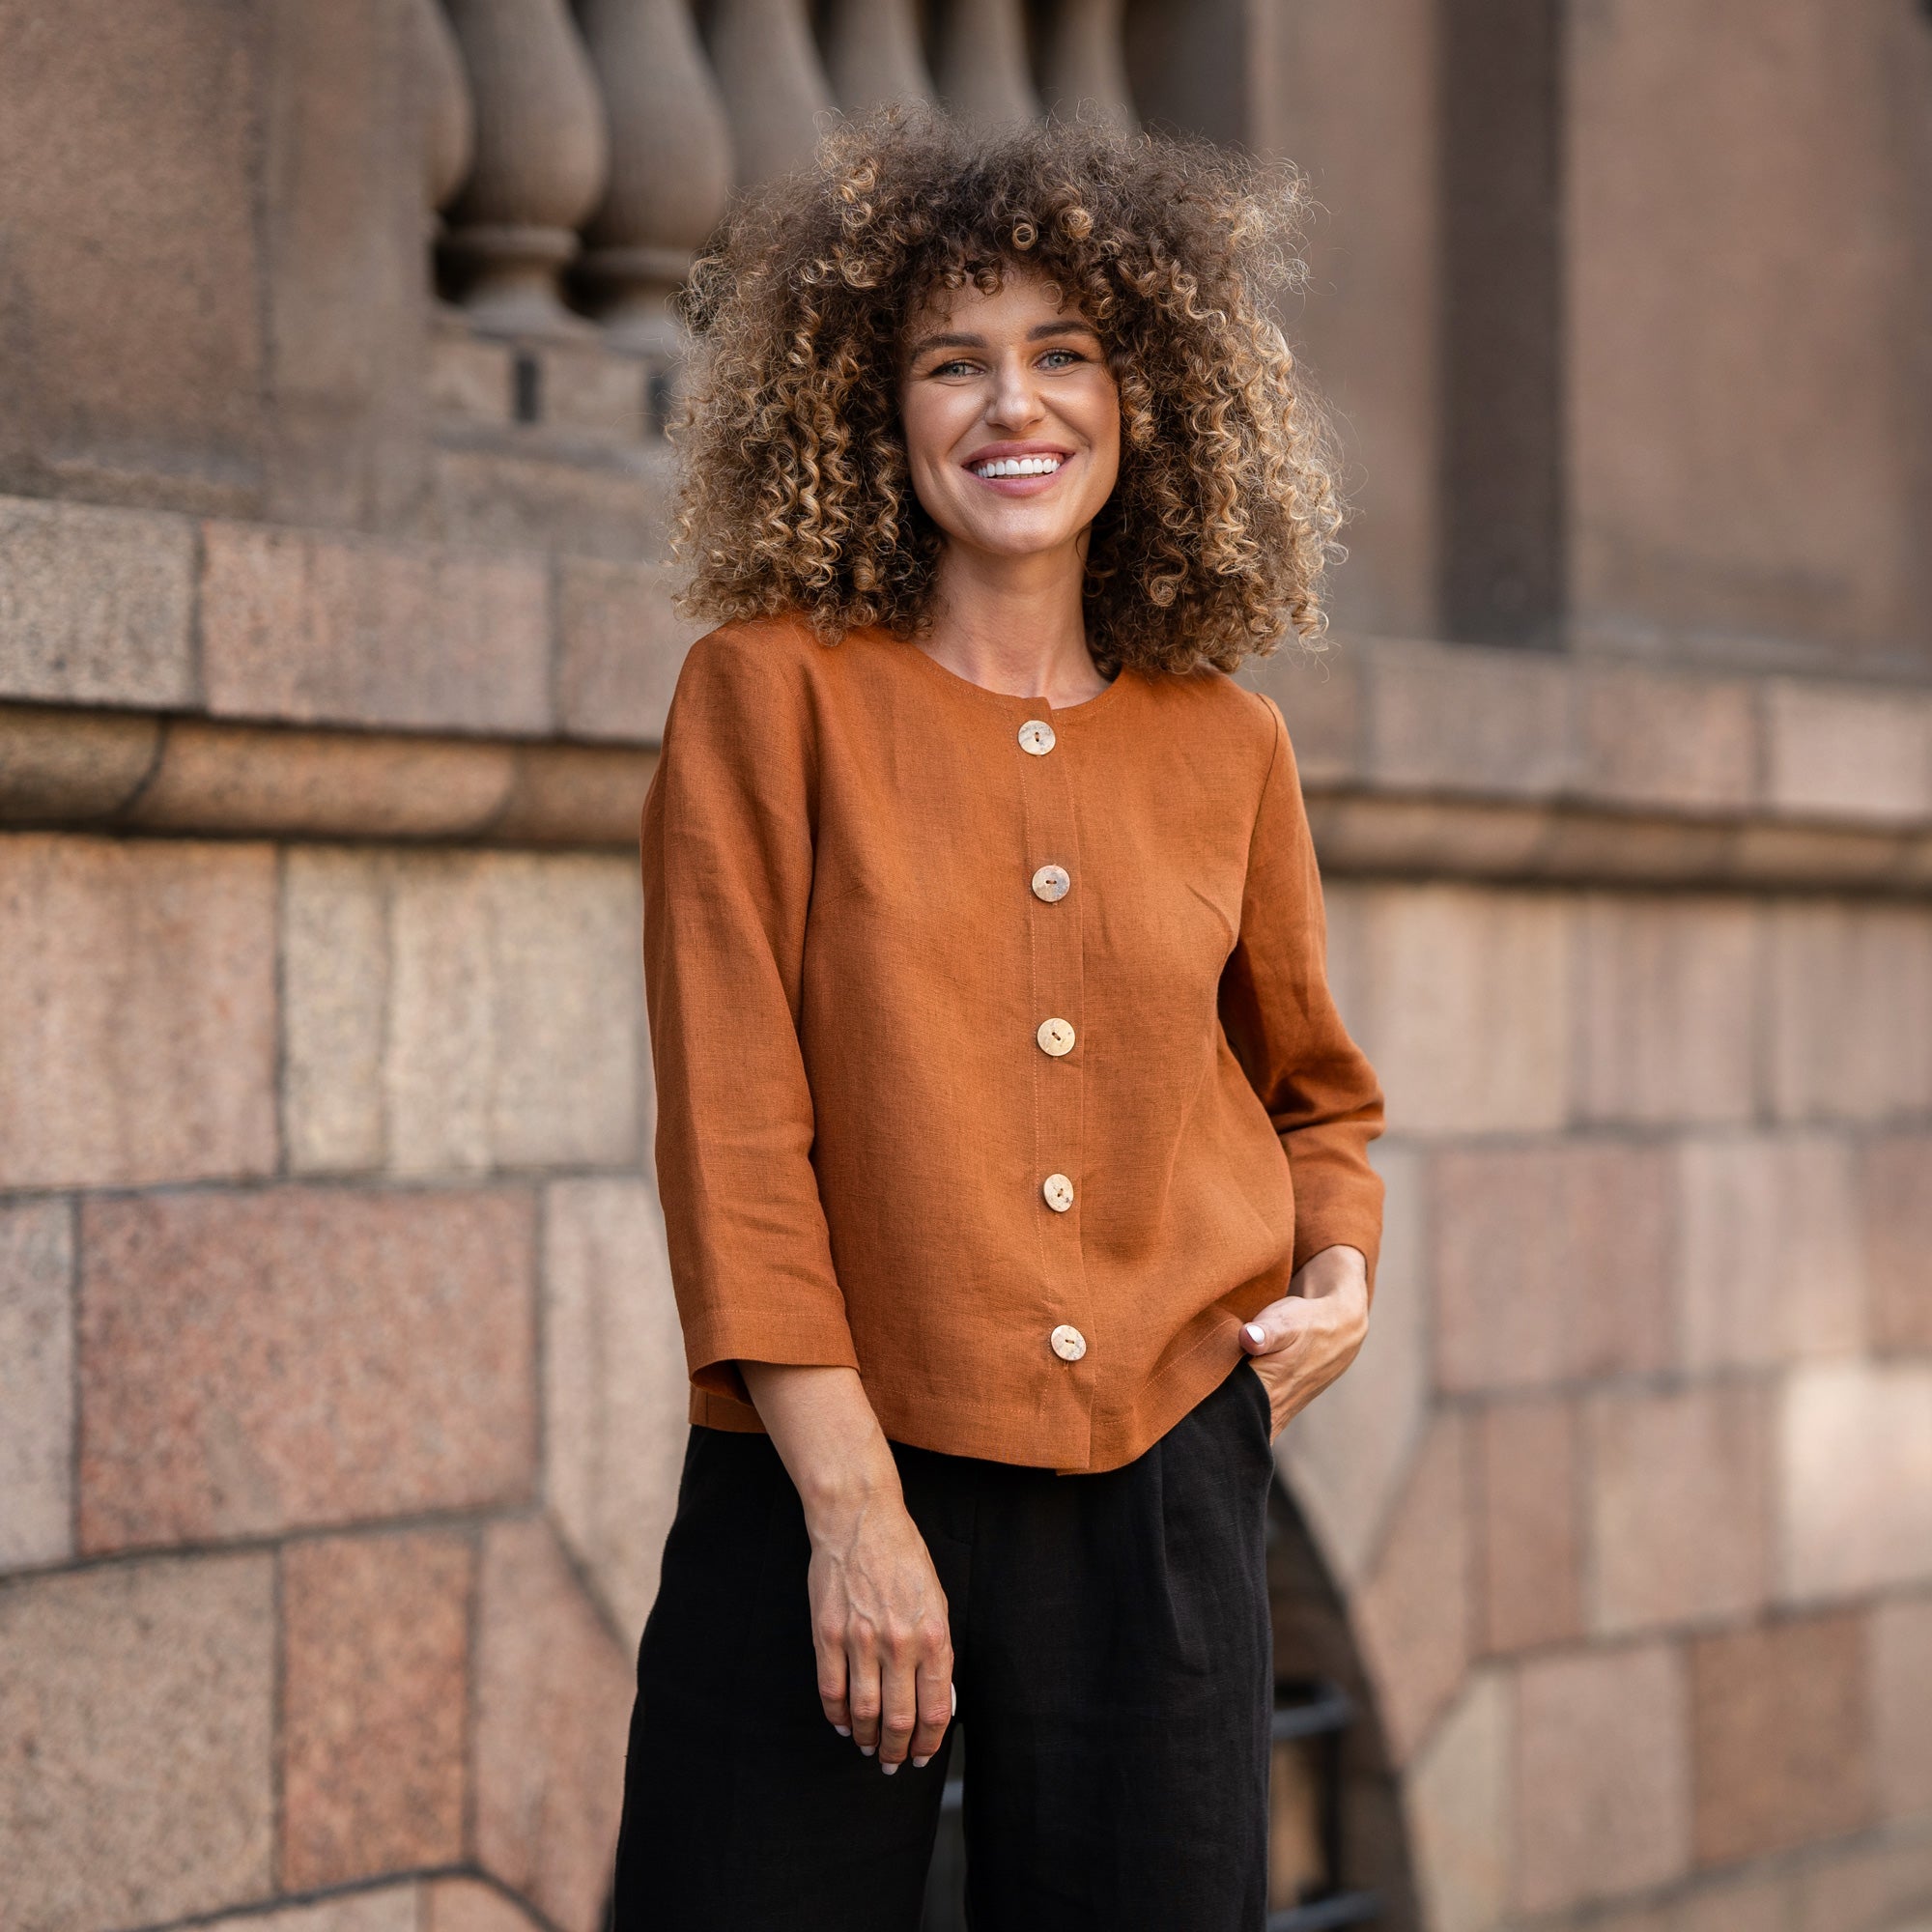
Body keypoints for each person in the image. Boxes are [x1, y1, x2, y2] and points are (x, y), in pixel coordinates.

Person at [610, 110, 1384, 1932]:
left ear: (1149, 399)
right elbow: (732, 1131)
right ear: (868, 414)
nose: (1011, 407)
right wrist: (853, 1513)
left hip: (1165, 1480)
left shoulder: (1228, 742)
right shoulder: (764, 699)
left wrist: (1339, 1264)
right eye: (953, 363)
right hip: (825, 1470)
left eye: (1063, 356)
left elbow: (1314, 1088)